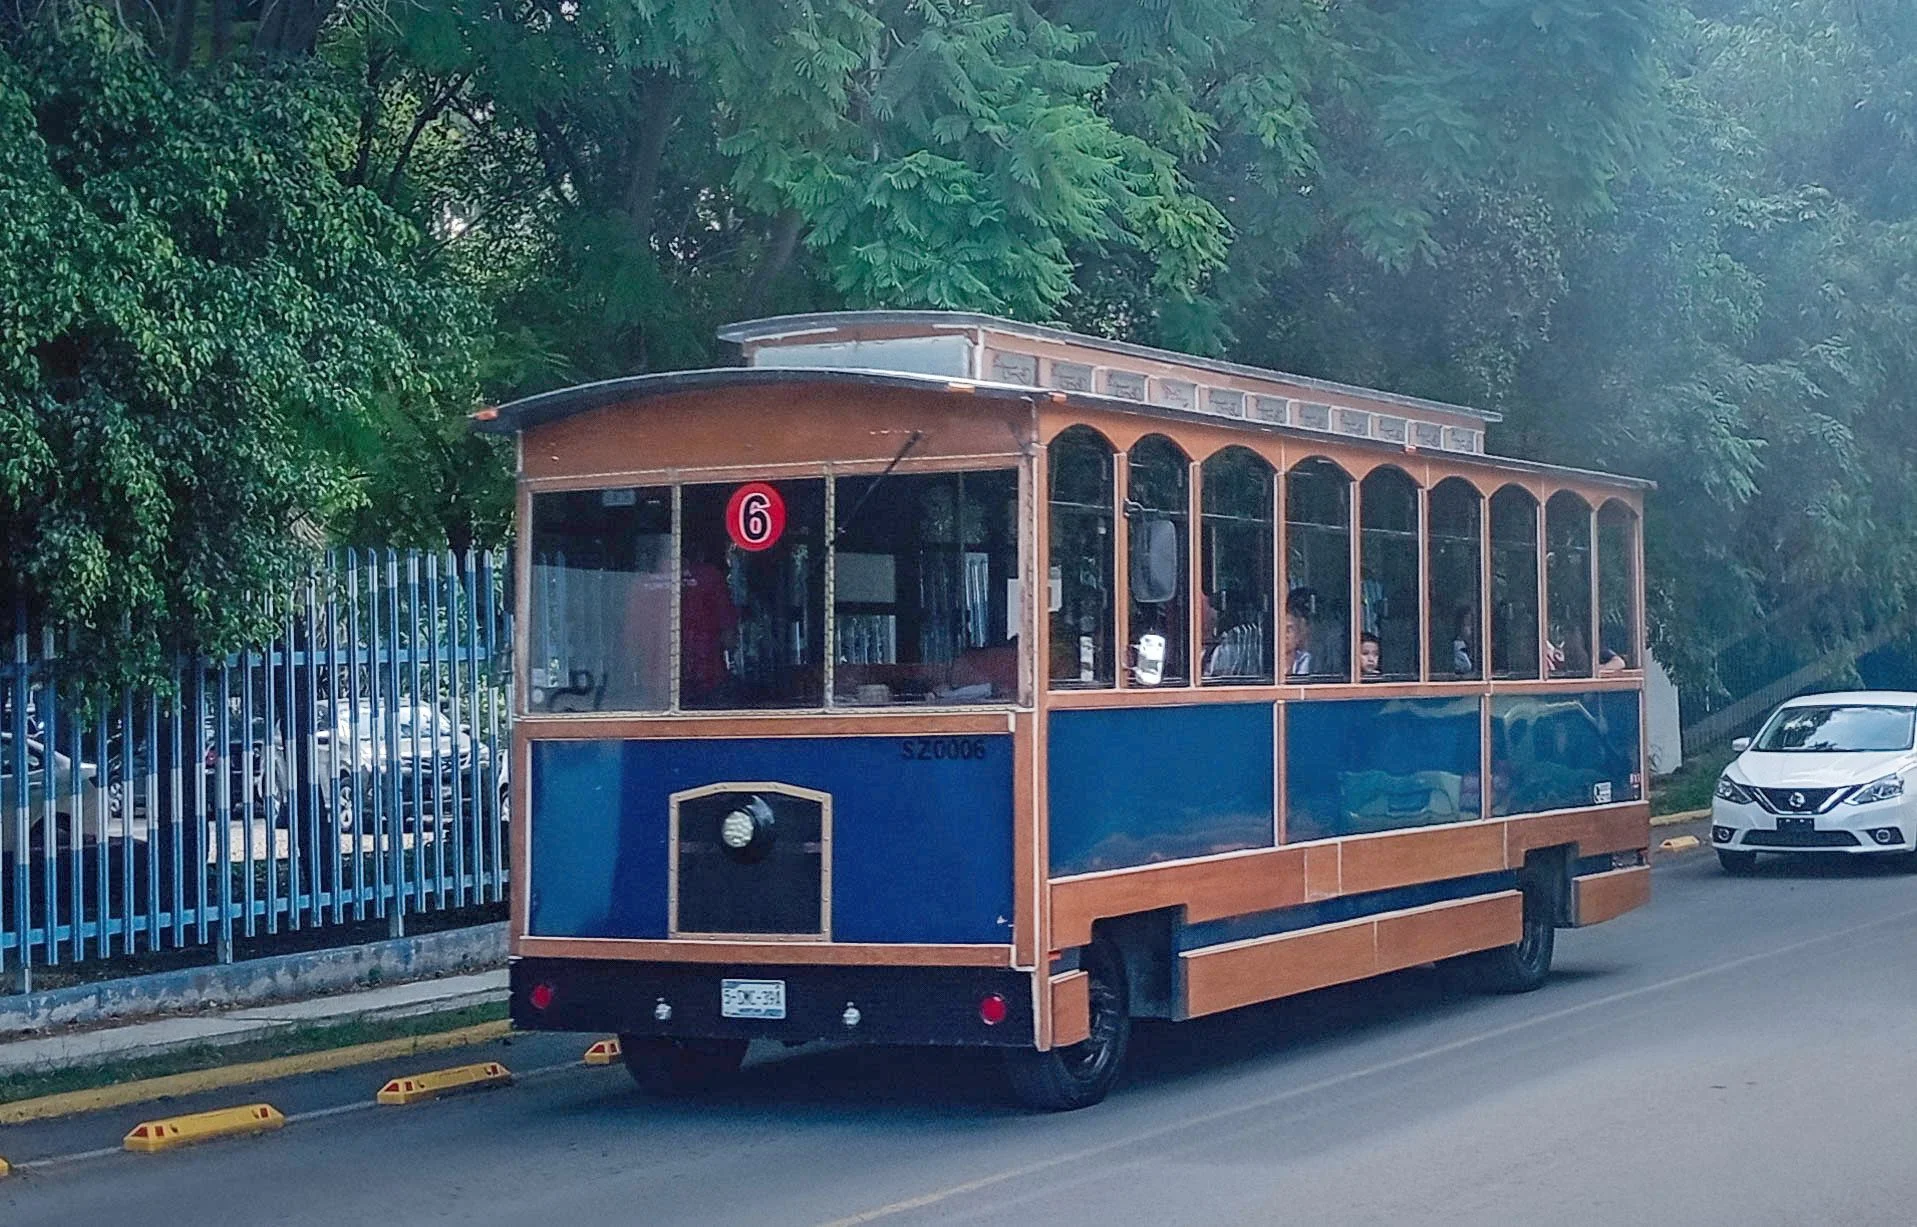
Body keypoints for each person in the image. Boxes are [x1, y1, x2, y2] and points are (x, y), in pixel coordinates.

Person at [1285, 588, 1315, 678]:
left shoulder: (1306, 660)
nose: (1285, 635)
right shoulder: (1267, 665)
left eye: (1289, 630)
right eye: (1281, 630)